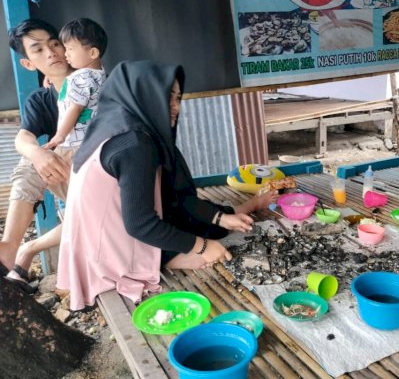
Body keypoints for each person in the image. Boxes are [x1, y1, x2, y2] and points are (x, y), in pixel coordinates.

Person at [56, 60, 276, 311]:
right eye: (166, 98)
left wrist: (220, 219)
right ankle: (166, 259)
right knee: (203, 238)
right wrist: (201, 247)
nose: (175, 107)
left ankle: (199, 236)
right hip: (108, 256)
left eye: (178, 98)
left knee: (210, 225)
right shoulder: (133, 144)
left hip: (110, 239)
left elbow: (176, 196)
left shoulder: (120, 125)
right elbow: (140, 224)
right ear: (143, 96)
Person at [1, 19, 72, 286]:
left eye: (54, 44)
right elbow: (23, 138)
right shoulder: (40, 100)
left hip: (112, 179)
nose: (51, 52)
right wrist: (38, 154)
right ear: (28, 64)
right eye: (38, 49)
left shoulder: (96, 82)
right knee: (33, 159)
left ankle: (27, 249)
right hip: (75, 180)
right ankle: (9, 245)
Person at [44, 18, 107, 153]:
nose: (66, 54)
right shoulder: (100, 74)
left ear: (93, 53)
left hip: (73, 142)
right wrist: (50, 76)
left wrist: (60, 135)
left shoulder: (78, 78)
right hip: (95, 140)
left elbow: (75, 108)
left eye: (70, 49)